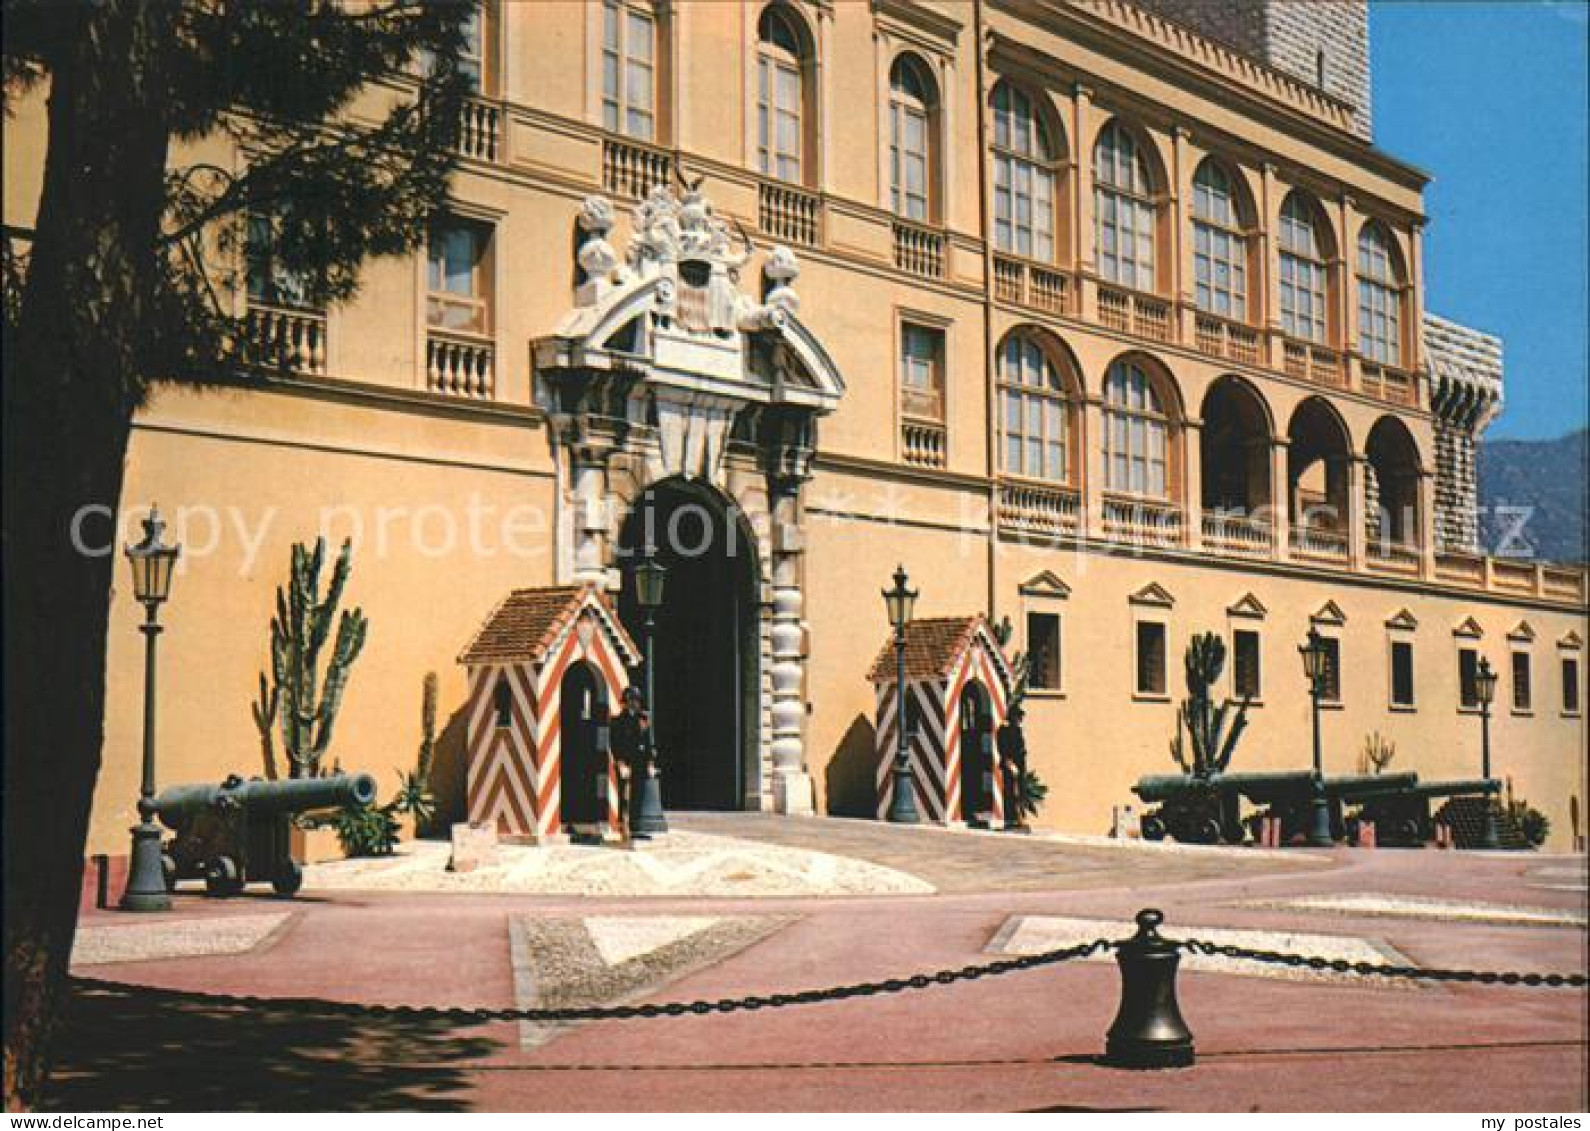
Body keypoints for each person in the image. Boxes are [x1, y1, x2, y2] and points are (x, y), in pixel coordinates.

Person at [609, 687, 651, 839]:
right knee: (624, 794)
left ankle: (635, 826)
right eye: (631, 700)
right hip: (625, 762)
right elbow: (615, 744)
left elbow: (647, 742)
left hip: (639, 761)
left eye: (636, 700)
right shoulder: (617, 721)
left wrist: (650, 762)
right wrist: (620, 763)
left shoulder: (643, 720)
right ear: (625, 703)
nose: (634, 703)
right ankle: (623, 824)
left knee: (638, 794)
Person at [997, 703, 1030, 832]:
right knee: (1011, 792)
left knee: (1020, 792)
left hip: (1020, 765)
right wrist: (1009, 763)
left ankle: (1019, 819)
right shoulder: (1004, 730)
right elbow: (1004, 748)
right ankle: (1011, 820)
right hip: (1010, 765)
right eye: (1018, 717)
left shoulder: (1017, 730)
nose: (1020, 720)